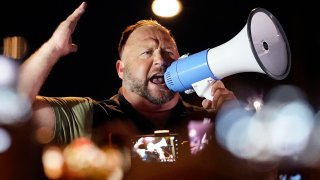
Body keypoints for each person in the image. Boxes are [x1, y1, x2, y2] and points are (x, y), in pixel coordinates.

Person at [18, 2, 276, 179]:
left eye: (168, 53)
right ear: (120, 69)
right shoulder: (85, 115)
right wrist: (52, 49)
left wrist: (234, 127)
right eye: (146, 52)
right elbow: (13, 106)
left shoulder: (207, 122)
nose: (160, 60)